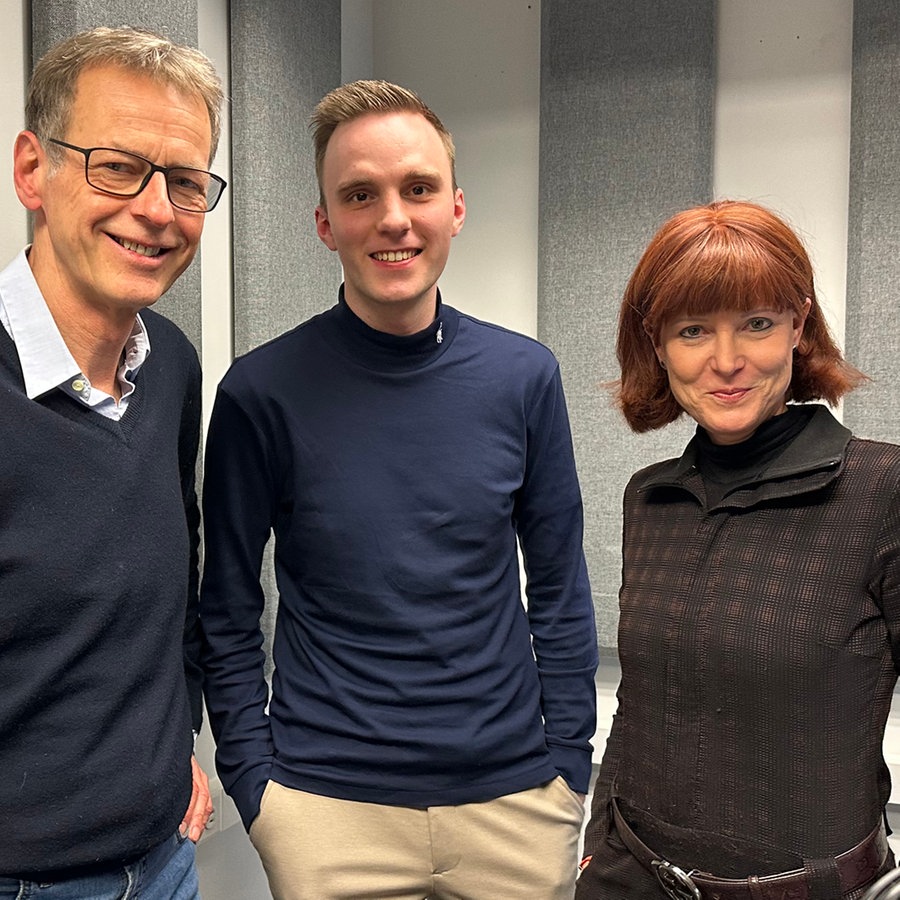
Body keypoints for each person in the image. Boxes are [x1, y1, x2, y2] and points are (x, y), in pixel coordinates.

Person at [200, 79, 598, 899]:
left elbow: (560, 586)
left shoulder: (525, 378)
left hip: (517, 803)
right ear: (325, 223)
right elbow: (227, 607)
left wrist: (568, 767)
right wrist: (256, 783)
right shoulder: (258, 394)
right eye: (359, 195)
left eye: (418, 189)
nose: (392, 218)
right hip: (323, 808)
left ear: (455, 206)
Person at [576, 199, 900, 899]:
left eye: (756, 324)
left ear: (798, 326)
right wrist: (594, 853)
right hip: (630, 877)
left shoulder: (881, 491)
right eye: (694, 330)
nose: (726, 362)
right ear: (658, 345)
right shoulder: (648, 498)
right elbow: (639, 706)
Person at [0, 26, 226, 898]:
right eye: (117, 167)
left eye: (184, 181)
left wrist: (178, 746)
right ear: (32, 170)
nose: (158, 209)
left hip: (165, 861)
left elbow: (175, 577)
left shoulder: (168, 364)